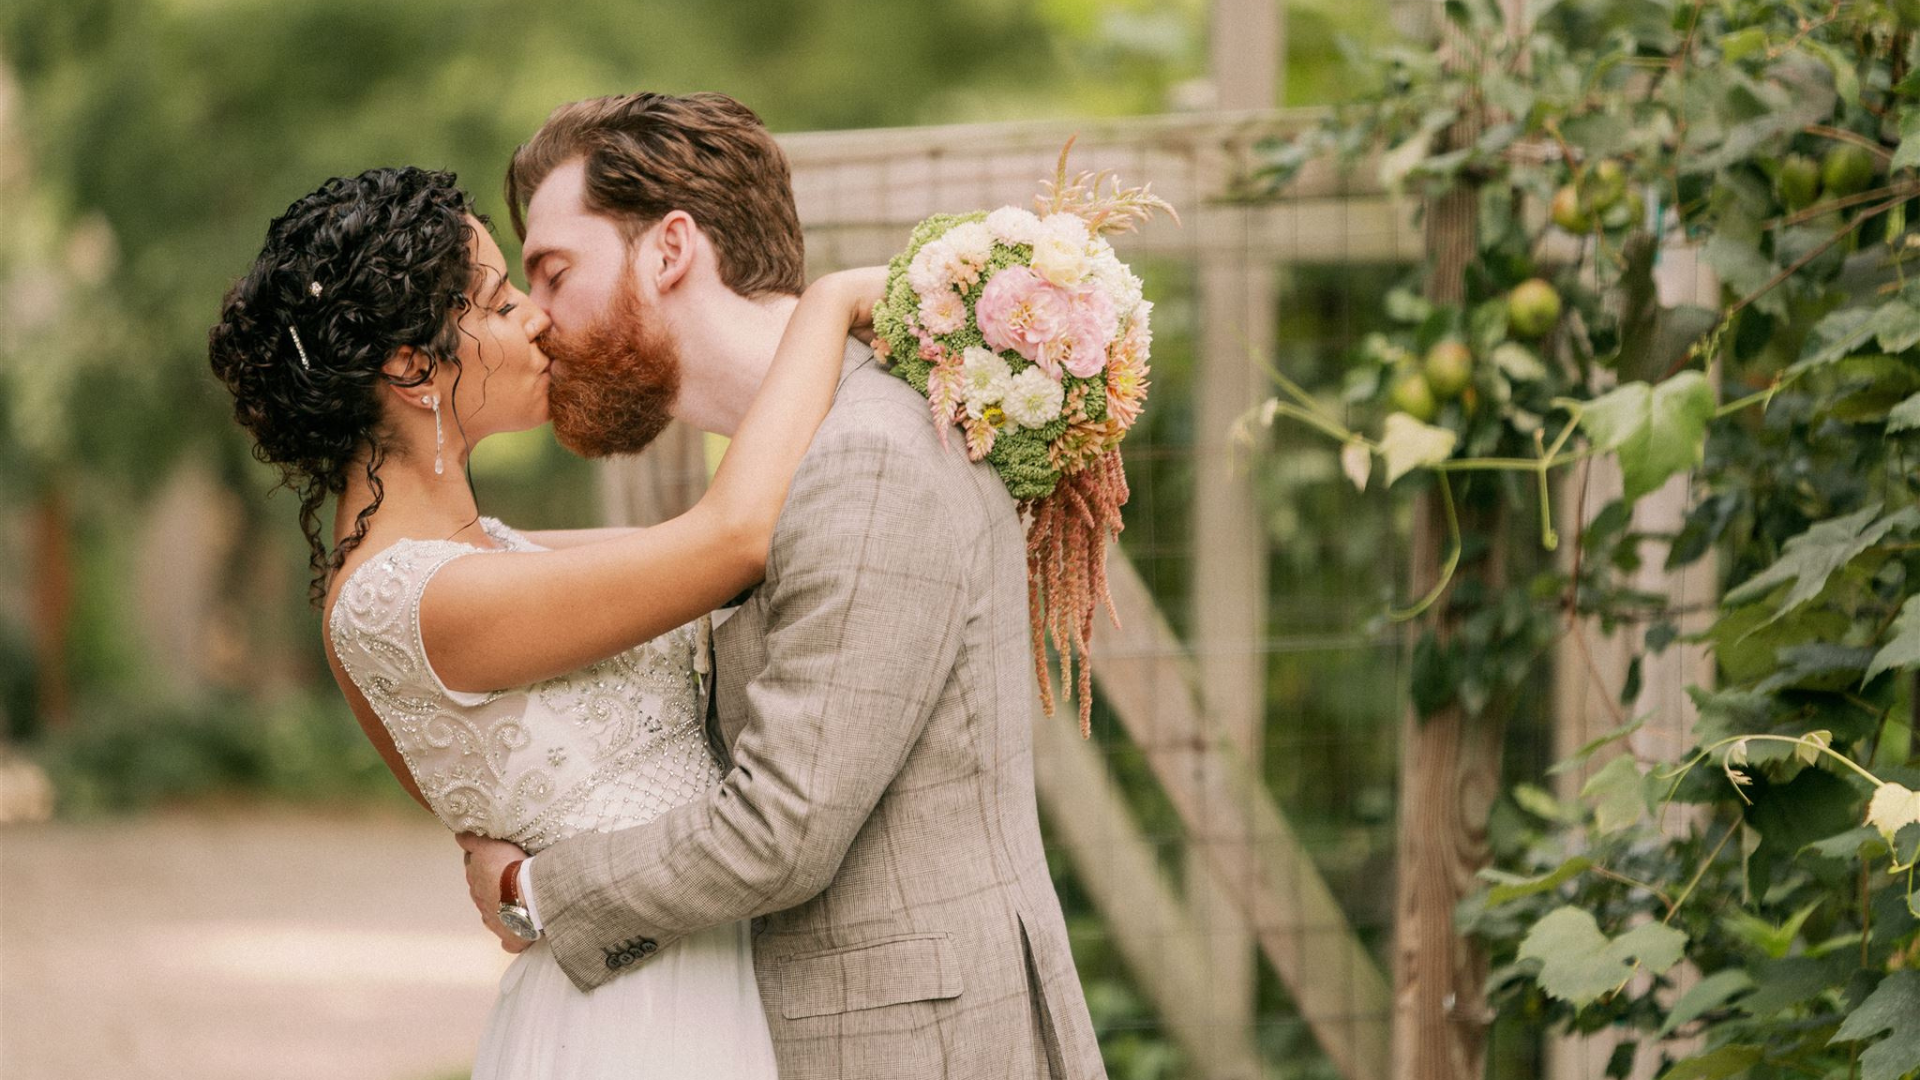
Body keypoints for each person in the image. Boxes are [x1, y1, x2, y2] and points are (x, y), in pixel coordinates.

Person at [454, 92, 1107, 1079]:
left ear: (669, 249)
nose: (537, 322)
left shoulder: (866, 457)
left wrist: (534, 891)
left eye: (554, 271)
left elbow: (781, 831)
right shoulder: (784, 463)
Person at [207, 164, 883, 1079]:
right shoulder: (412, 600)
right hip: (640, 1024)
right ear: (410, 367)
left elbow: (715, 550)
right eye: (494, 303)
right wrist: (828, 307)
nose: (535, 315)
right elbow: (735, 539)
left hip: (693, 988)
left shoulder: (486, 558)